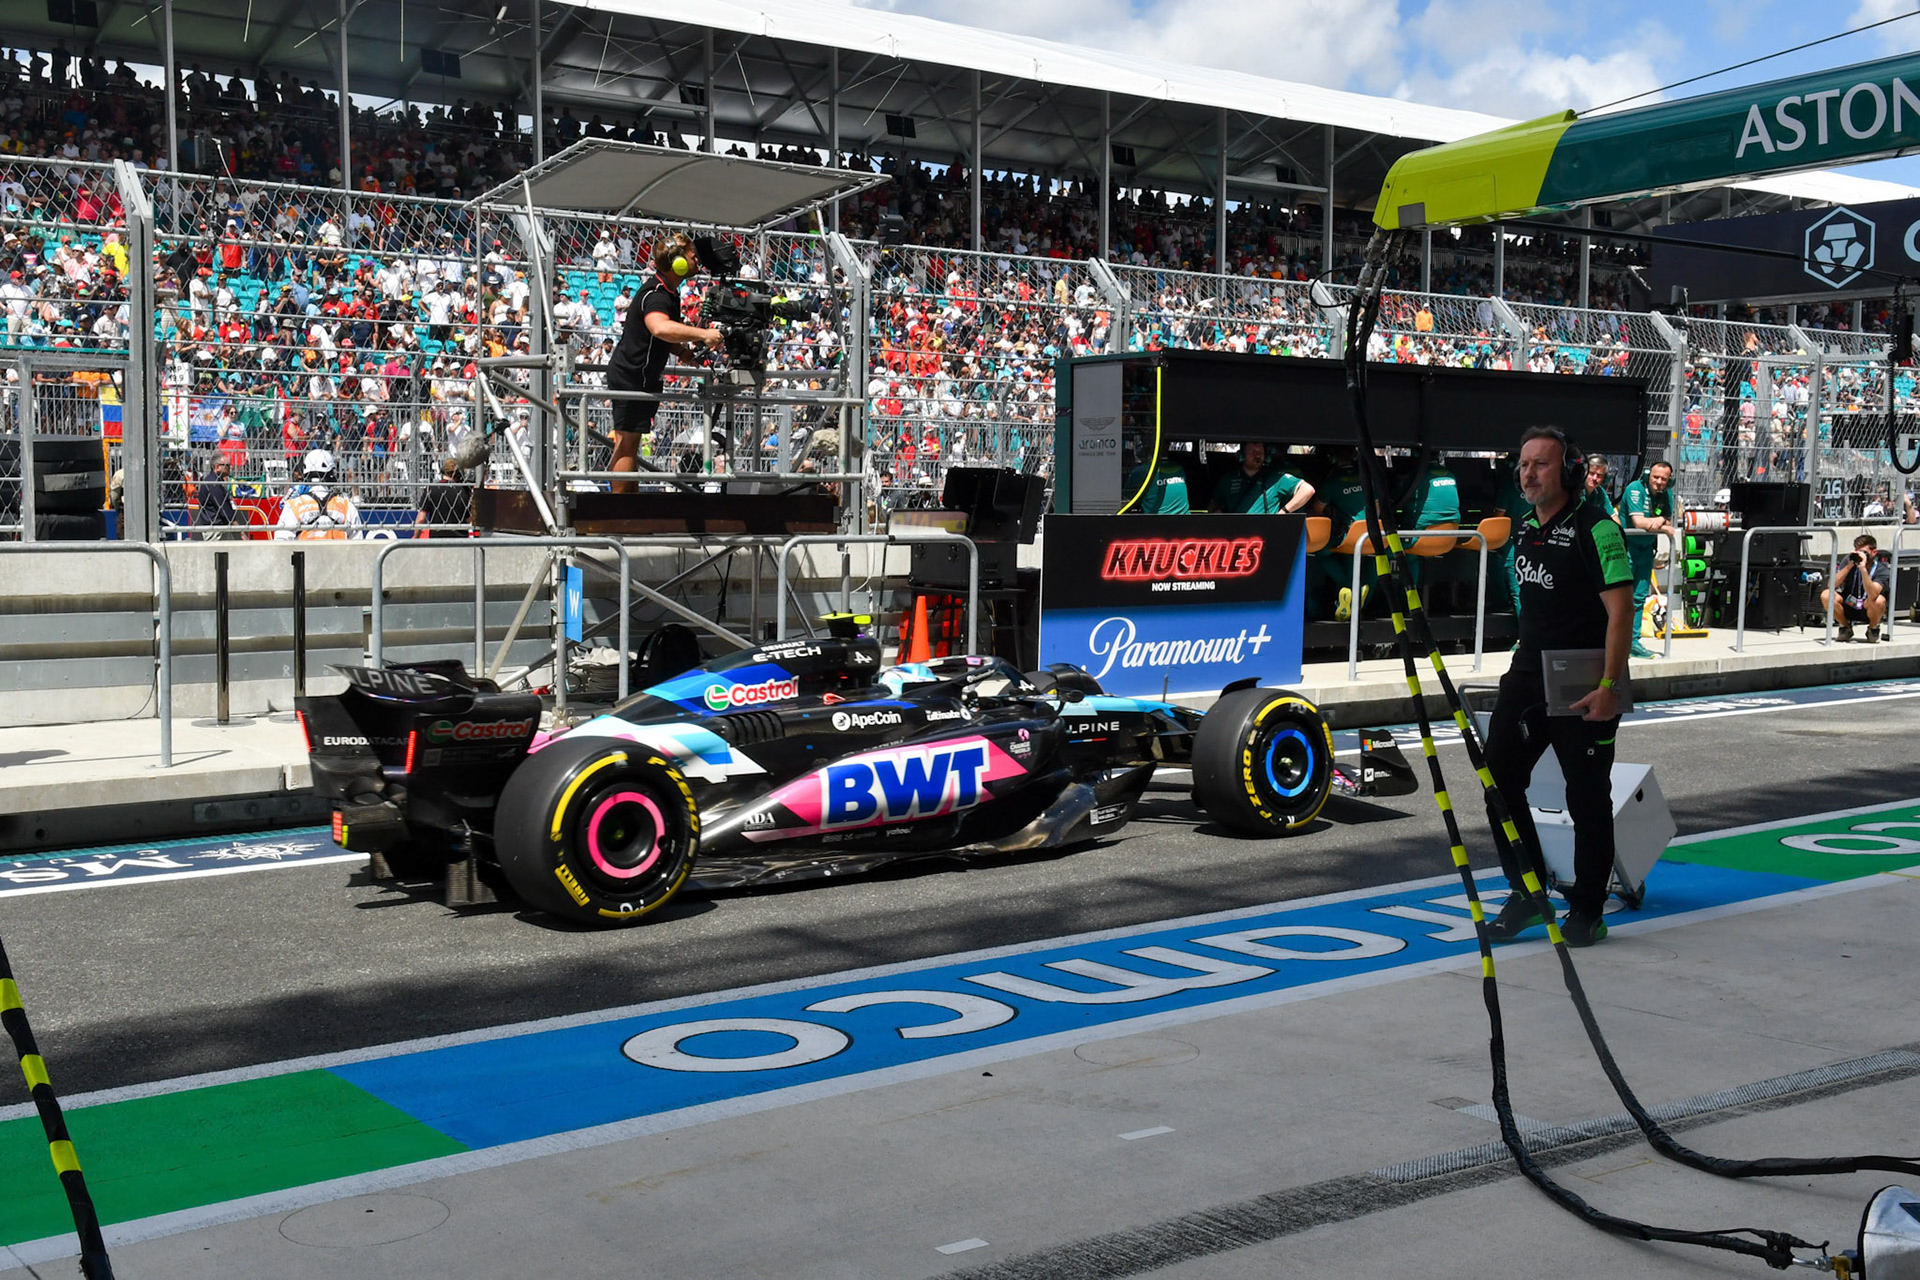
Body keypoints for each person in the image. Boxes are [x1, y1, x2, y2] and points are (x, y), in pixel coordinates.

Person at [1482, 426, 1635, 948]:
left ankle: (1588, 908)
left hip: (1585, 676)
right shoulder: (1524, 528)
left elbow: (1621, 612)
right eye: (1524, 464)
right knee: (1498, 779)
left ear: (1568, 470)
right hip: (1527, 673)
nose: (1529, 473)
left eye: (1540, 464)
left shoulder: (1599, 529)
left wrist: (1611, 684)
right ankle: (1527, 892)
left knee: (1586, 795)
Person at [604, 231, 724, 495]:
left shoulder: (666, 292)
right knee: (627, 442)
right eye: (693, 257)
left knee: (630, 443)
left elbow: (659, 336)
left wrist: (681, 352)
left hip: (639, 376)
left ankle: (627, 506)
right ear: (678, 263)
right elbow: (659, 328)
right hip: (631, 375)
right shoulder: (657, 294)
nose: (697, 262)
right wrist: (703, 334)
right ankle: (618, 511)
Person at [1620, 461, 1680, 659]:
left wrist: (1661, 521)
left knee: (1639, 597)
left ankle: (1632, 642)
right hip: (1626, 548)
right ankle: (1614, 641)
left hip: (1646, 549)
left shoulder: (1667, 493)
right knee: (1621, 599)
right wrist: (1662, 525)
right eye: (1656, 477)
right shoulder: (1634, 489)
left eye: (1664, 478)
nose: (1659, 482)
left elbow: (1670, 518)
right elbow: (1639, 522)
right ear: (1648, 475)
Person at [275, 448, 362, 539]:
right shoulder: (346, 506)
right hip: (338, 552)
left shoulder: (294, 505)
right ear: (331, 472)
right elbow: (358, 542)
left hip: (305, 552)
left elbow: (281, 539)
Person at [1210, 441, 1315, 515]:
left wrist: (1283, 512)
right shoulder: (1228, 480)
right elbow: (1214, 505)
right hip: (1235, 536)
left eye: (1260, 451)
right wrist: (1217, 512)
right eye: (1252, 451)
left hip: (1266, 535)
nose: (1257, 455)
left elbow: (1307, 490)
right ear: (1242, 455)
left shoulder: (1275, 479)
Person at [1822, 534, 1889, 643]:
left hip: (1868, 608)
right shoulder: (1849, 561)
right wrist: (1849, 566)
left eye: (1864, 552)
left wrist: (1863, 570)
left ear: (1874, 552)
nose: (1860, 555)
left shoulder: (1881, 569)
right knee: (1826, 595)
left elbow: (1873, 594)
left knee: (1879, 600)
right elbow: (1832, 585)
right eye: (1857, 552)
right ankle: (1845, 627)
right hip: (1849, 603)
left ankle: (1873, 629)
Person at [415, 457, 474, 536]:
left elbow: (421, 519)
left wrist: (416, 537)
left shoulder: (431, 489)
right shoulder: (465, 490)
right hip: (460, 540)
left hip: (438, 540)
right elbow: (470, 519)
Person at [1123, 447, 1189, 514]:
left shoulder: (1141, 471)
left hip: (1156, 521)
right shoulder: (1178, 468)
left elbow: (1126, 497)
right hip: (1186, 520)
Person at [196, 456, 236, 539]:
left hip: (217, 527)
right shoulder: (213, 484)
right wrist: (240, 530)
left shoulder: (214, 480)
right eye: (227, 465)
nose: (230, 468)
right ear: (217, 467)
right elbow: (224, 508)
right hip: (215, 530)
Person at [1584, 455, 1620, 522]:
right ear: (1584, 473)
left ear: (1605, 478)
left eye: (1599, 475)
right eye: (1591, 473)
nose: (1594, 478)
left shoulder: (1600, 492)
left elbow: (1614, 518)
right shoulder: (1575, 491)